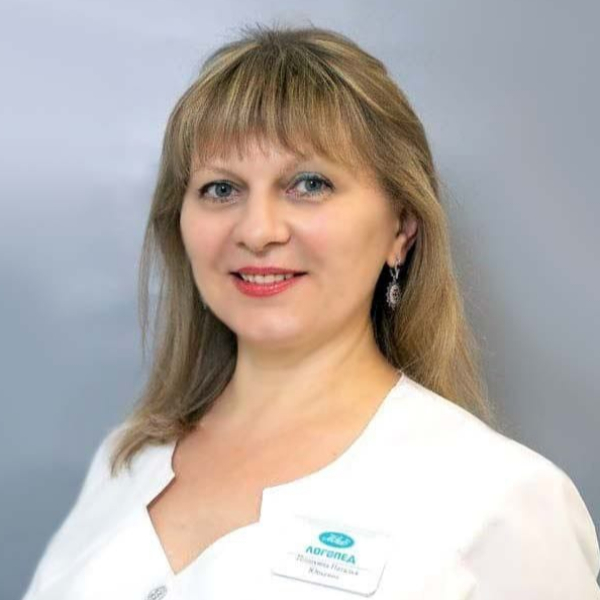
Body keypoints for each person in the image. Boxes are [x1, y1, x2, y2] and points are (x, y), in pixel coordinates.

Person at [22, 23, 600, 600]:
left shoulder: (503, 503)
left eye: (309, 184)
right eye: (221, 189)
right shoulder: (126, 461)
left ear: (401, 228)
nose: (257, 231)